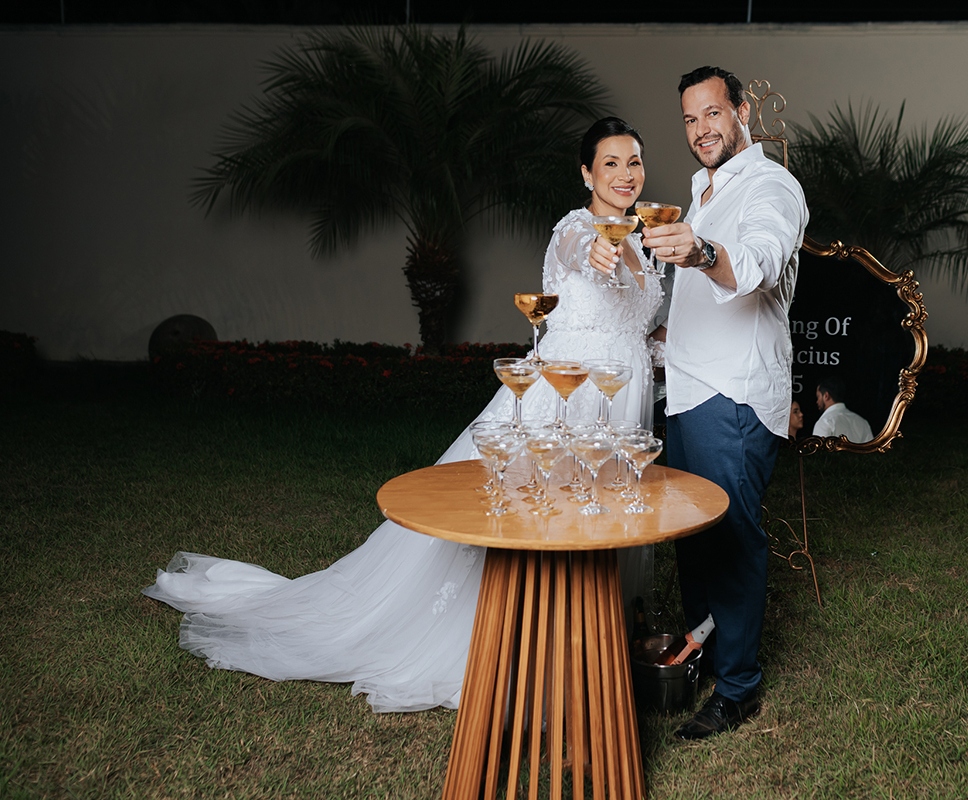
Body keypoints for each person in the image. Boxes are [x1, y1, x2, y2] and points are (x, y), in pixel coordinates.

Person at [142, 117, 664, 713]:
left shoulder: (650, 240)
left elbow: (632, 325)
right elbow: (584, 252)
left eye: (635, 162)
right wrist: (603, 243)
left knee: (602, 517)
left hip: (622, 402)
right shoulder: (577, 229)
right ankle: (525, 641)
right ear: (586, 173)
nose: (626, 175)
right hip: (567, 400)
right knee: (543, 517)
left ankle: (594, 640)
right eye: (611, 164)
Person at [595, 66, 808, 740]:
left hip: (734, 395)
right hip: (684, 393)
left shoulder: (771, 186)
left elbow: (760, 261)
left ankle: (739, 688)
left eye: (712, 114)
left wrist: (701, 248)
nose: (701, 130)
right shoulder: (700, 193)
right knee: (692, 540)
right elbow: (693, 308)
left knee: (734, 538)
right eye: (689, 120)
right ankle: (704, 656)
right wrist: (643, 339)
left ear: (741, 111)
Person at [812, 376, 873, 443]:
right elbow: (870, 452)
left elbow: (819, 453)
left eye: (818, 397)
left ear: (826, 396)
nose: (817, 401)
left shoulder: (825, 421)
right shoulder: (862, 422)